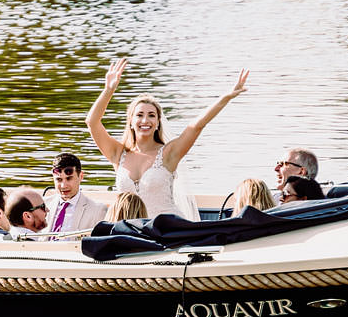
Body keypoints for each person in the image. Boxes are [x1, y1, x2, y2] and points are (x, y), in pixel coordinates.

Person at [86, 57, 248, 218]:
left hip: (164, 230)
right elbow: (92, 122)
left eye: (151, 115)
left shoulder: (169, 153)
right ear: (131, 122)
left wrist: (226, 97)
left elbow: (197, 125)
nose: (145, 120)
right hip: (128, 230)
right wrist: (108, 90)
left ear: (158, 123)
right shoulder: (118, 153)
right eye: (140, 115)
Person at [43, 152, 105, 234]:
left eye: (69, 179)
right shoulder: (41, 206)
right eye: (59, 179)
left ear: (81, 176)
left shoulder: (97, 211)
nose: (63, 186)